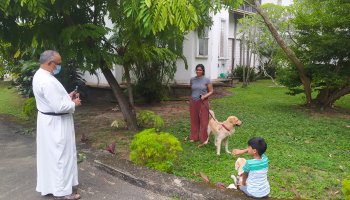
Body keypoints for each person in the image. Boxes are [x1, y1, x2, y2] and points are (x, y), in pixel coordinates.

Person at [32, 50, 82, 200]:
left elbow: (53, 100)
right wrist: (74, 103)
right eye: (58, 64)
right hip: (56, 124)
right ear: (49, 63)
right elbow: (58, 107)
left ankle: (50, 186)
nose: (59, 66)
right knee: (60, 157)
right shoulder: (47, 81)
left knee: (50, 156)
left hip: (48, 122)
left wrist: (67, 96)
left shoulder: (40, 75)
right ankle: (62, 192)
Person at [189, 64, 213, 146]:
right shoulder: (192, 79)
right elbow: (192, 89)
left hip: (203, 102)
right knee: (194, 120)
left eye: (200, 70)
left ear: (203, 71)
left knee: (204, 121)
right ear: (195, 70)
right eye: (197, 70)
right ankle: (194, 137)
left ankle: (204, 139)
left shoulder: (207, 80)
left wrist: (204, 96)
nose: (198, 71)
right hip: (193, 102)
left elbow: (211, 91)